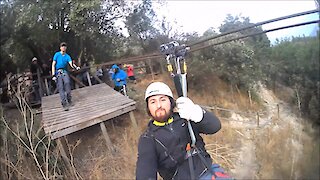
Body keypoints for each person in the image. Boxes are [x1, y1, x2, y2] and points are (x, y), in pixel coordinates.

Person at [136, 82, 229, 180]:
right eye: (153, 102)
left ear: (171, 102)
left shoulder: (186, 118)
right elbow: (145, 172)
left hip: (207, 172)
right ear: (148, 107)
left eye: (163, 99)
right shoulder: (148, 138)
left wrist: (197, 113)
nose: (159, 105)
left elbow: (215, 127)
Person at [51, 42, 80, 111]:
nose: (63, 47)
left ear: (66, 48)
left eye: (64, 46)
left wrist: (76, 67)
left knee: (67, 83)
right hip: (58, 72)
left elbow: (71, 63)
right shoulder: (57, 54)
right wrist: (53, 75)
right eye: (62, 46)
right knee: (60, 87)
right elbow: (53, 64)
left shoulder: (67, 56)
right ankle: (64, 103)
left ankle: (69, 99)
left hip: (64, 72)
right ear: (60, 48)